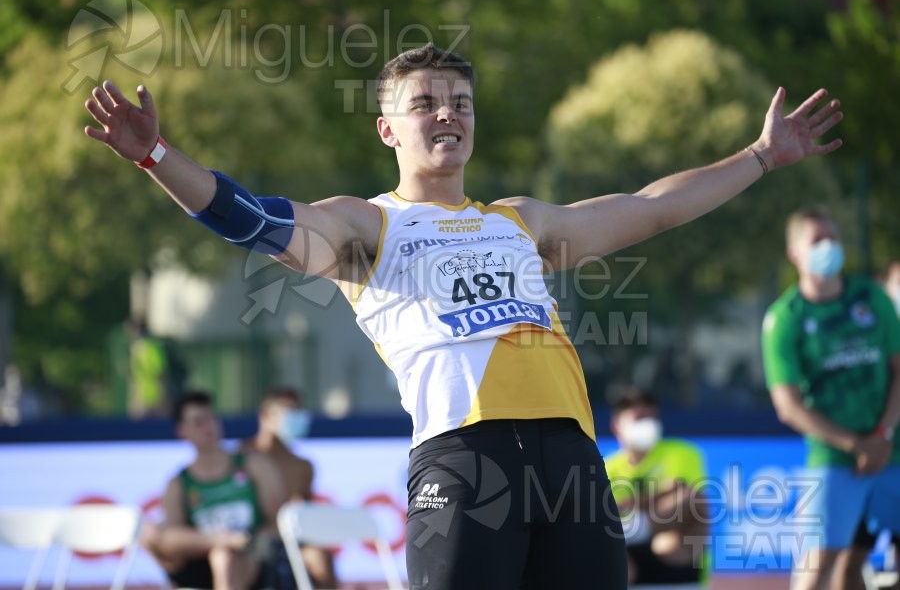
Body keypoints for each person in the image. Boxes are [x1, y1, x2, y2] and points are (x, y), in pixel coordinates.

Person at [85, 43, 842, 589]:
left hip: (572, 464)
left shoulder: (521, 220)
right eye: (425, 103)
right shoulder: (364, 228)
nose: (447, 113)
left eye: (461, 103)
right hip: (463, 460)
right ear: (388, 129)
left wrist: (759, 157)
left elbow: (651, 208)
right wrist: (159, 158)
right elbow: (253, 220)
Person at [761, 207, 900, 590]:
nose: (828, 247)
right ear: (794, 253)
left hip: (893, 450)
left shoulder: (871, 297)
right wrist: (856, 445)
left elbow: (898, 370)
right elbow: (788, 405)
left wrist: (883, 436)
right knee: (820, 564)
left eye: (833, 238)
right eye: (817, 240)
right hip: (836, 458)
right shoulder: (784, 318)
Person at [141, 391, 286, 590]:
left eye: (211, 418)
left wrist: (248, 542)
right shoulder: (178, 483)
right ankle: (223, 541)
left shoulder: (253, 465)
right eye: (198, 422)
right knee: (151, 536)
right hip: (199, 563)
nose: (208, 427)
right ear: (182, 431)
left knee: (223, 556)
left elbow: (280, 522)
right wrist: (222, 540)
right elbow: (171, 542)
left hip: (251, 560)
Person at [605, 388, 709, 587]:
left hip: (671, 552)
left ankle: (635, 531)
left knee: (694, 499)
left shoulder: (682, 452)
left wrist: (633, 504)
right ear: (617, 426)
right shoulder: (607, 466)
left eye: (651, 418)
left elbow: (683, 493)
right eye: (639, 419)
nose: (647, 425)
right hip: (623, 557)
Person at [241, 387, 337, 589]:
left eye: (298, 411)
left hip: (288, 541)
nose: (296, 417)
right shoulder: (240, 457)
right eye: (289, 411)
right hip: (248, 541)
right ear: (266, 416)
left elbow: (303, 515)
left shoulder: (302, 466)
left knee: (320, 560)